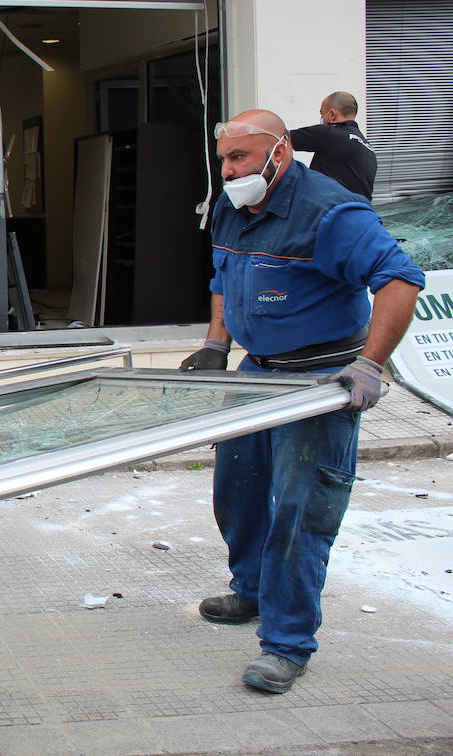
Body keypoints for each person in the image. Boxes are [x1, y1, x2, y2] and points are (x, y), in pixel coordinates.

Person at [179, 109, 423, 695]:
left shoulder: (330, 212)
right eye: (223, 159)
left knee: (299, 512)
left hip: (317, 380)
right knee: (237, 492)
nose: (229, 170)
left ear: (279, 153)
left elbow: (399, 279)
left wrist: (369, 362)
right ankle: (254, 592)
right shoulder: (232, 206)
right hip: (255, 373)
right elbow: (222, 276)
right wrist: (217, 344)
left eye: (239, 158)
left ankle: (287, 644)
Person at [288, 90, 376, 200]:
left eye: (321, 113)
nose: (321, 117)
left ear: (332, 114)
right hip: (361, 212)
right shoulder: (367, 147)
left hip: (333, 210)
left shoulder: (329, 133)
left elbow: (278, 139)